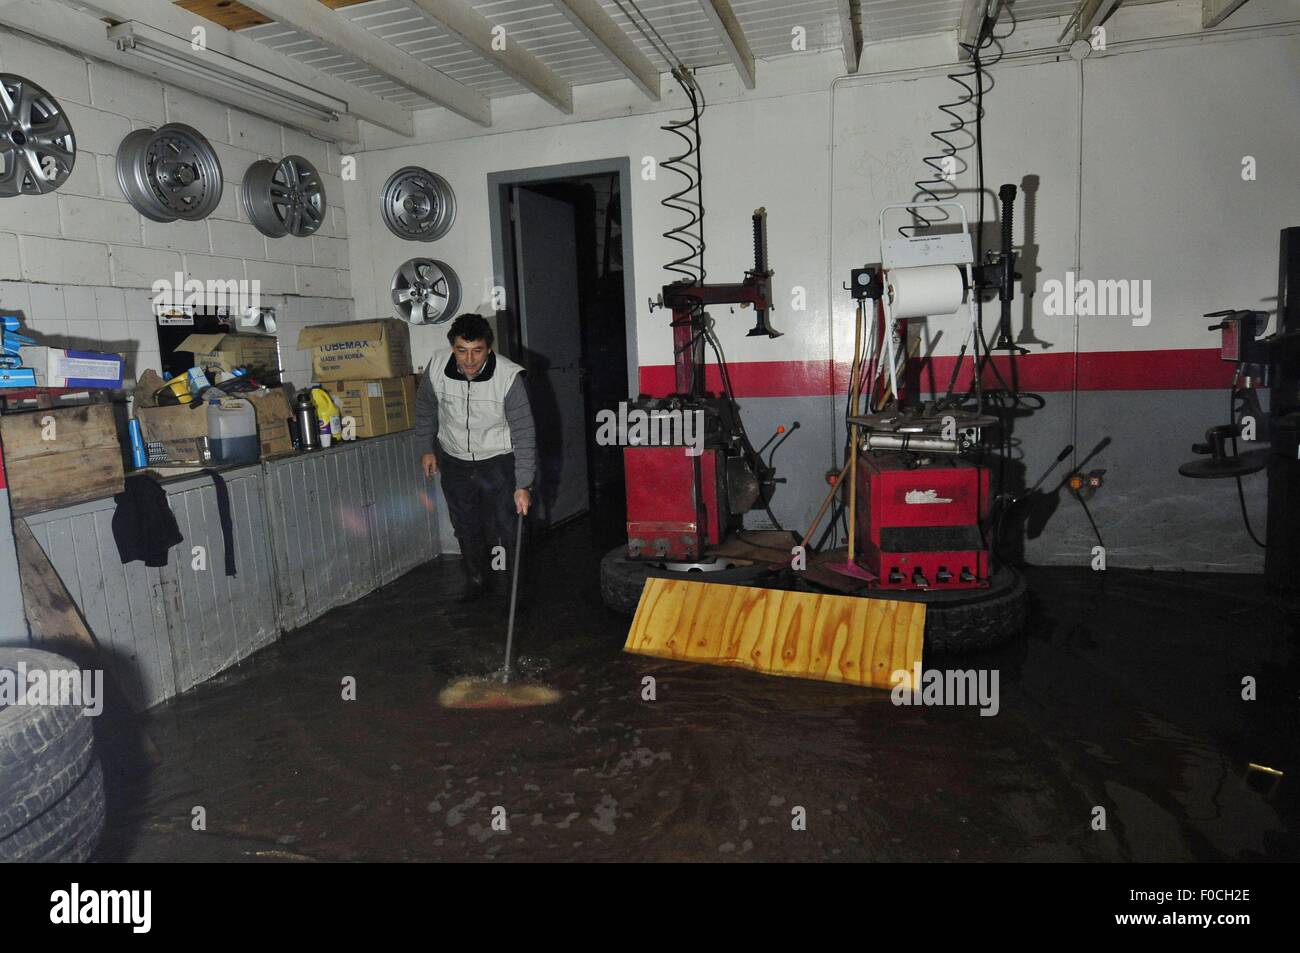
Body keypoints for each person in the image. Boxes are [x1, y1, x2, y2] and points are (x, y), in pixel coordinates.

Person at [415, 314, 535, 602]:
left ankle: (510, 590)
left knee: (505, 527)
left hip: (498, 460)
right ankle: (477, 582)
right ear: (453, 347)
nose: (469, 359)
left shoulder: (508, 377)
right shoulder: (437, 367)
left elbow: (524, 433)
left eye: (477, 350)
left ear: (488, 349)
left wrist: (523, 484)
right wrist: (426, 448)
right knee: (465, 525)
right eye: (461, 350)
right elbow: (425, 408)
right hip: (454, 459)